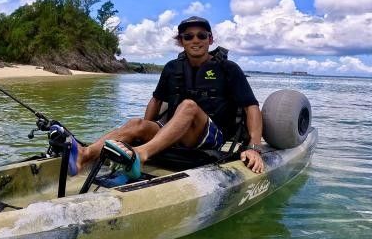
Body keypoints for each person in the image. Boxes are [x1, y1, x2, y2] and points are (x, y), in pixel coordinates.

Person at [70, 16, 264, 177]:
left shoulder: (228, 69)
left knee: (188, 105)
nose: (195, 40)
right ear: (181, 41)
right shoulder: (172, 68)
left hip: (210, 136)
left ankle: (140, 154)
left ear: (210, 39)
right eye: (188, 37)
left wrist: (254, 147)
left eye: (201, 36)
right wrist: (143, 131)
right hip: (174, 130)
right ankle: (84, 155)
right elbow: (156, 100)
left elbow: (251, 107)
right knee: (136, 124)